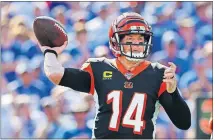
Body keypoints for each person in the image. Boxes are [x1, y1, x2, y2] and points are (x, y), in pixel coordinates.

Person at [39, 12, 191, 139]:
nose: (137, 45)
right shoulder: (99, 68)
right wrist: (49, 51)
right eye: (130, 39)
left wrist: (173, 92)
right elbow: (55, 74)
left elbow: (184, 123)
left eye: (140, 39)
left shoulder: (159, 74)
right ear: (116, 42)